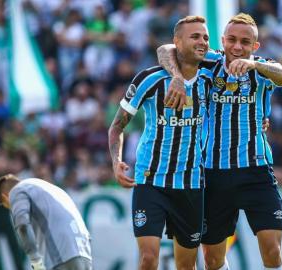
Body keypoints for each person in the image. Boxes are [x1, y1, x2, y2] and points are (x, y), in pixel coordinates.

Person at [157, 13, 282, 270]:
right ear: (223, 40)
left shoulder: (262, 69)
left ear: (255, 46)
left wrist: (254, 65)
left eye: (245, 41)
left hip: (256, 172)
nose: (237, 47)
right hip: (212, 174)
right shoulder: (209, 62)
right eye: (232, 39)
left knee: (272, 251)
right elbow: (165, 49)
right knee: (212, 259)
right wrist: (176, 75)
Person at [108, 16, 212, 270]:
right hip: (151, 181)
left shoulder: (211, 78)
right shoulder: (149, 80)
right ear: (177, 41)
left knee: (187, 265)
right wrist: (116, 161)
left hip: (190, 184)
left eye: (206, 37)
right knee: (148, 258)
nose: (202, 42)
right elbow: (117, 125)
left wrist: (262, 119)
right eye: (195, 36)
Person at [0, 174, 92, 270]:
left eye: (7, 205)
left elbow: (22, 225)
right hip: (84, 253)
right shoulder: (51, 188)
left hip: (61, 255)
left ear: (6, 196)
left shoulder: (17, 190)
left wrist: (35, 260)